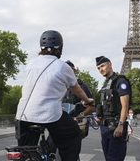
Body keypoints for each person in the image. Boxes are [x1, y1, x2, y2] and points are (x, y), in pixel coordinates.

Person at [15, 30, 93, 161]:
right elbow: (77, 90)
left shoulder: (30, 64)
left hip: (23, 114)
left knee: (25, 150)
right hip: (50, 114)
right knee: (73, 134)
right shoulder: (62, 66)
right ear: (60, 48)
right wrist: (87, 100)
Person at [47, 60, 95, 155]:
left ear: (74, 70)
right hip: (57, 121)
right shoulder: (57, 85)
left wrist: (80, 115)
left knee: (71, 152)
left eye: (70, 69)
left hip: (74, 122)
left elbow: (91, 105)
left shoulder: (81, 86)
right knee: (49, 149)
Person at [95, 56, 132, 161]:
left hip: (116, 126)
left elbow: (125, 105)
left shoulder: (120, 81)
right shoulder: (107, 84)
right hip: (105, 127)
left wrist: (120, 125)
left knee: (114, 158)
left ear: (110, 64)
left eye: (102, 66)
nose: (101, 69)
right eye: (98, 68)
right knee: (109, 157)